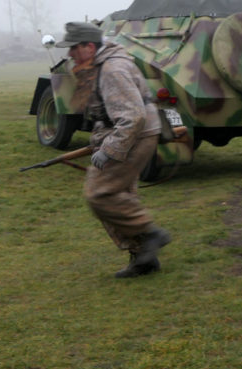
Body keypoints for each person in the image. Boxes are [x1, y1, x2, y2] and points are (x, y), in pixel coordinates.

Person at [55, 21, 171, 278]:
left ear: (89, 46)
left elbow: (133, 117)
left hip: (134, 134)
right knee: (120, 195)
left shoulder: (112, 69)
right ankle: (143, 257)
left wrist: (109, 150)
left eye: (73, 48)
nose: (70, 54)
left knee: (99, 194)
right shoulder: (101, 65)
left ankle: (151, 233)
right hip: (127, 131)